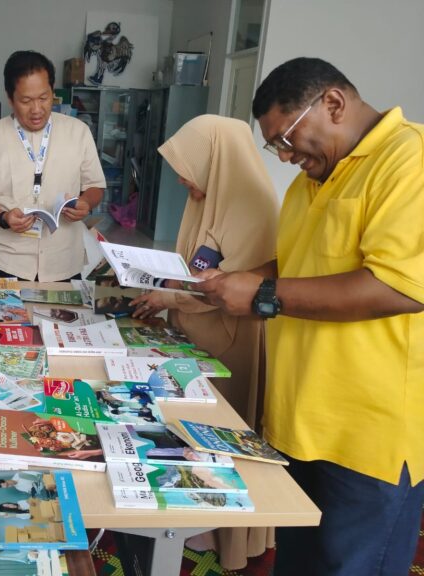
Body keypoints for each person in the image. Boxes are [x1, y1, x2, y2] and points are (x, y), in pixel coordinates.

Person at [196, 58, 424, 576]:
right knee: (299, 563)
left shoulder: (407, 159)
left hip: (366, 437)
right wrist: (232, 282)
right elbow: (299, 266)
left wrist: (263, 293)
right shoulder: (309, 182)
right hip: (300, 421)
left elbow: (397, 286)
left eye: (286, 139)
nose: (284, 156)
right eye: (274, 146)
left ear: (334, 104)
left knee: (353, 565)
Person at [130, 114, 279, 571]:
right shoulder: (208, 199)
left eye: (188, 166)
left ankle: (224, 534)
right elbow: (193, 268)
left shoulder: (255, 207)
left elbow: (226, 290)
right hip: (194, 332)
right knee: (189, 429)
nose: (181, 178)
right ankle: (195, 513)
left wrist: (169, 293)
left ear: (218, 162)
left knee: (221, 435)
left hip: (231, 341)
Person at [0, 50, 105, 281]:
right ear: (10, 98)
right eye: (26, 101)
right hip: (7, 260)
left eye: (44, 97)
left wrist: (86, 203)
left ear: (53, 92)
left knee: (64, 318)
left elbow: (96, 186)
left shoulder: (78, 132)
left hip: (64, 261)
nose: (37, 109)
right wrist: (3, 218)